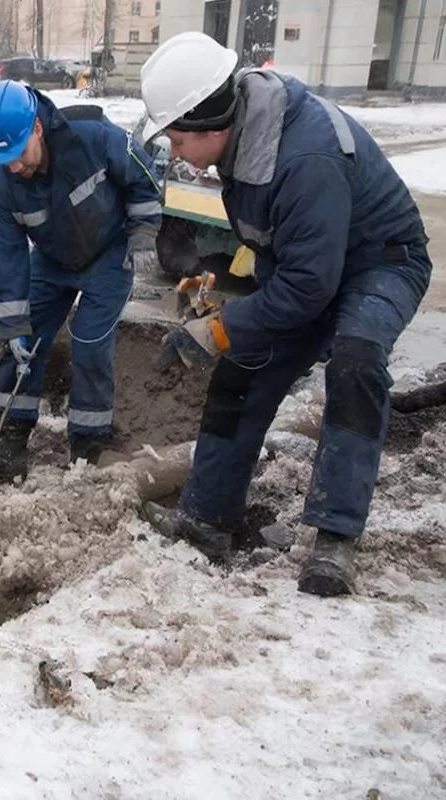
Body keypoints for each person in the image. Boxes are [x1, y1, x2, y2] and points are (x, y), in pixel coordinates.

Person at [137, 32, 433, 597]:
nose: (174, 152)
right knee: (243, 367)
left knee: (355, 358)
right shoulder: (244, 141)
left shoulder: (304, 156)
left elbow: (308, 289)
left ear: (210, 124)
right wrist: (240, 334)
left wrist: (222, 327)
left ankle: (334, 538)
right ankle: (206, 520)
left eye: (176, 138)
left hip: (379, 262)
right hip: (311, 268)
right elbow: (286, 264)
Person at [0, 80, 162, 480]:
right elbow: (8, 255)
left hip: (108, 254)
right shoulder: (1, 183)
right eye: (4, 160)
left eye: (18, 155)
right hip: (51, 260)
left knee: (88, 342)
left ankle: (86, 452)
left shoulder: (92, 137)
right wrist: (13, 326)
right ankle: (9, 447)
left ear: (37, 128)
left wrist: (143, 230)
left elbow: (142, 173)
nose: (14, 167)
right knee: (21, 341)